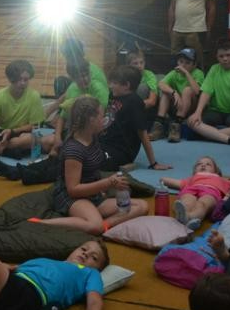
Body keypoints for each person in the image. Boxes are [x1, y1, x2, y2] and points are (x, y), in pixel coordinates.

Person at [33, 96, 148, 234]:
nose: (104, 119)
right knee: (94, 225)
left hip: (93, 195)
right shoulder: (74, 150)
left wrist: (102, 188)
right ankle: (43, 224)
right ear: (91, 120)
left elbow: (93, 171)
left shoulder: (93, 138)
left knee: (141, 206)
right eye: (101, 116)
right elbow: (73, 190)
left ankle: (105, 225)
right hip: (73, 198)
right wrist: (107, 183)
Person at [186, 39, 230, 148]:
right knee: (191, 122)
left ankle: (205, 135)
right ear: (217, 57)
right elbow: (206, 92)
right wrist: (197, 112)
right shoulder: (214, 69)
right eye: (221, 56)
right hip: (215, 111)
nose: (225, 59)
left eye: (228, 55)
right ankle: (228, 139)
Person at [160, 156, 230, 232]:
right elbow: (166, 181)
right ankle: (184, 216)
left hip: (211, 191)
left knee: (203, 204)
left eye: (208, 164)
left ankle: (191, 217)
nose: (203, 165)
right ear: (194, 171)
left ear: (216, 171)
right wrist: (162, 179)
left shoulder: (223, 180)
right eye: (199, 164)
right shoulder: (191, 178)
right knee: (187, 201)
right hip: (191, 189)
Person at [151, 48, 204, 143]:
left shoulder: (198, 73)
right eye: (181, 61)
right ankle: (159, 124)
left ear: (194, 65)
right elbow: (161, 84)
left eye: (187, 63)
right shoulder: (174, 73)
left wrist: (186, 73)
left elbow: (197, 92)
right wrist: (174, 93)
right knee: (166, 92)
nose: (183, 65)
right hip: (177, 105)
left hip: (191, 109)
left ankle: (176, 125)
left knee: (187, 90)